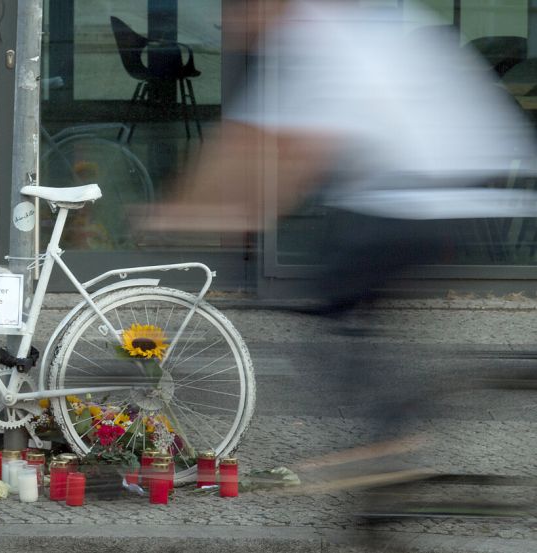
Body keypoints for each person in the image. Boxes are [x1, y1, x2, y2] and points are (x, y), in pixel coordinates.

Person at [142, 0, 537, 528]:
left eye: (238, 12)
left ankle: (391, 442)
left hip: (414, 195)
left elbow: (286, 154)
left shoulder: (312, 38)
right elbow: (252, 147)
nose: (229, 24)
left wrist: (185, 214)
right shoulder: (344, 25)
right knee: (356, 312)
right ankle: (419, 414)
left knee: (328, 304)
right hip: (458, 187)